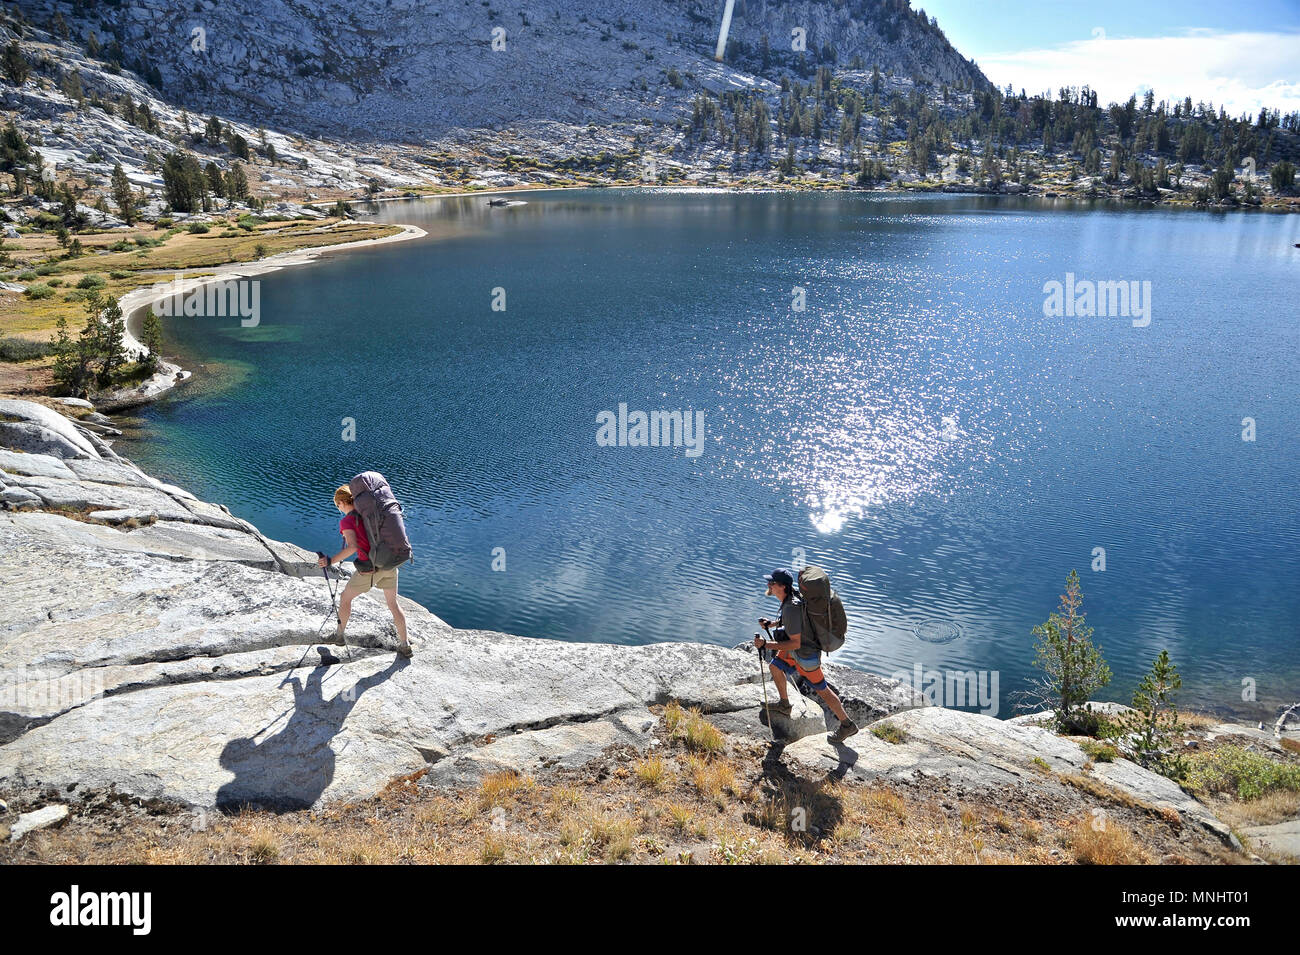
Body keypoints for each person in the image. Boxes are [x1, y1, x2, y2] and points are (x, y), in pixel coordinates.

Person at [754, 568, 858, 743]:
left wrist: (766, 644)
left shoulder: (790, 607)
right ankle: (784, 705)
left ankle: (847, 725)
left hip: (805, 656)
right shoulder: (792, 599)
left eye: (772, 583)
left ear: (783, 586)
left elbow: (795, 643)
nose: (768, 585)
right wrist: (773, 624)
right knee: (775, 666)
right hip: (797, 651)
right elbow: (795, 620)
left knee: (823, 691)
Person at [317, 485, 412, 658]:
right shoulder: (370, 515)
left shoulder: (347, 521)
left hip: (371, 568)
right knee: (393, 604)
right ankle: (405, 645)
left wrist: (330, 560)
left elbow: (353, 547)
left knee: (345, 598)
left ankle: (338, 637)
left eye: (338, 506)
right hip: (389, 563)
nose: (339, 509)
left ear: (341, 503)